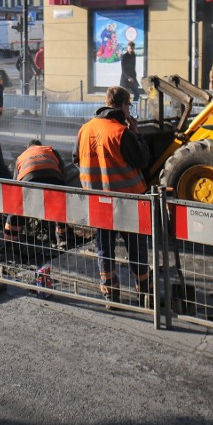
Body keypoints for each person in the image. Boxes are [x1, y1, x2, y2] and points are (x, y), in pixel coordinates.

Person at [73, 86, 151, 304]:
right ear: (124, 106)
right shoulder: (121, 132)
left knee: (104, 246)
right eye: (129, 106)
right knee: (136, 245)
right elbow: (142, 160)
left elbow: (75, 158)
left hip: (98, 200)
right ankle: (144, 291)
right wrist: (137, 134)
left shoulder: (85, 129)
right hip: (126, 200)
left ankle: (110, 291)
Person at [3, 139, 68, 247]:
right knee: (59, 209)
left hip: (30, 178)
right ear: (39, 145)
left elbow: (15, 184)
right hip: (54, 178)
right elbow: (63, 171)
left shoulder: (22, 156)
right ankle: (62, 240)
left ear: (28, 147)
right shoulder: (50, 150)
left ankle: (9, 242)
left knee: (17, 209)